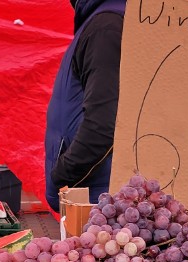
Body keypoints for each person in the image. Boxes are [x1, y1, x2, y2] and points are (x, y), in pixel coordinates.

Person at [44, 0, 126, 213]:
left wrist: (62, 175)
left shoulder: (106, 26)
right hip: (94, 192)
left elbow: (104, 124)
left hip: (96, 197)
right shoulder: (105, 20)